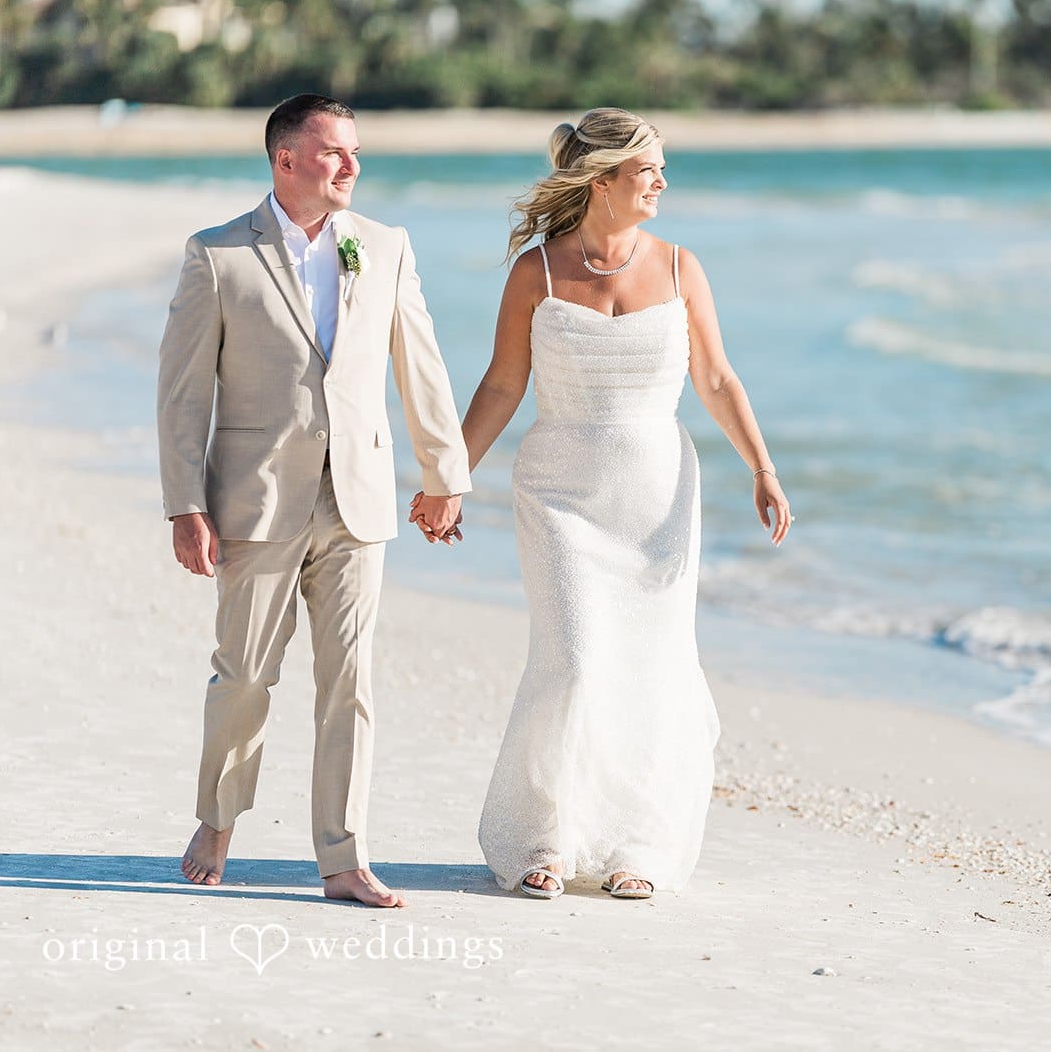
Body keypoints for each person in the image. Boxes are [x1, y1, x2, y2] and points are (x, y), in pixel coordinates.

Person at [446, 107, 792, 901]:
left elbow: (716, 378)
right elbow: (502, 384)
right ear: (603, 180)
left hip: (658, 499)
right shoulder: (536, 271)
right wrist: (449, 475)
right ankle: (546, 836)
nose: (663, 182)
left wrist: (762, 468)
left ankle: (637, 843)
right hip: (559, 495)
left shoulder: (680, 267)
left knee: (649, 668)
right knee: (573, 661)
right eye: (649, 169)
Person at [157, 93, 471, 907]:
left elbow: (421, 364)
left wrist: (444, 474)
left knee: (350, 681)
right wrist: (184, 503)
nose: (352, 166)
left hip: (358, 498)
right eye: (335, 151)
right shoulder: (218, 254)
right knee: (245, 675)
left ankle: (344, 855)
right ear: (286, 158)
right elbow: (184, 394)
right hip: (256, 498)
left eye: (355, 151)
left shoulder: (385, 246)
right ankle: (217, 820)